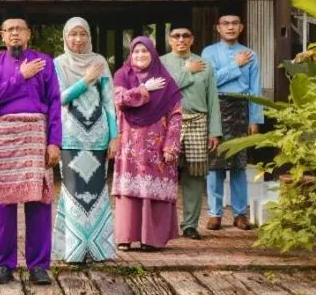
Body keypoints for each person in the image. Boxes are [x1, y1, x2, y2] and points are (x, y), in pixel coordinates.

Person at [0, 10, 62, 286]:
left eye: (20, 28)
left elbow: (54, 103)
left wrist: (54, 142)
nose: (14, 33)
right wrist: (21, 75)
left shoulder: (45, 62)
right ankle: (3, 265)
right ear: (2, 36)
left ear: (29, 34)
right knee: (5, 201)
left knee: (38, 201)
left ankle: (39, 265)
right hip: (6, 134)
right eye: (9, 29)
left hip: (36, 134)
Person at [52, 17, 117, 263]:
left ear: (89, 36)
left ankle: (99, 251)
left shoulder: (99, 62)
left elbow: (110, 103)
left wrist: (115, 137)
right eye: (73, 34)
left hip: (98, 140)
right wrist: (85, 81)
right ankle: (75, 250)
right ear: (65, 37)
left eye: (83, 34)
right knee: (73, 195)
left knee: (98, 195)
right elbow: (58, 98)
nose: (78, 39)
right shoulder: (58, 64)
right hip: (70, 139)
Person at [110, 37, 184, 251]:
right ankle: (126, 236)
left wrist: (171, 145)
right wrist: (144, 89)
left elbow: (176, 115)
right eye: (136, 52)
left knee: (154, 190)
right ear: (130, 55)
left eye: (145, 51)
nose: (140, 55)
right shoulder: (122, 75)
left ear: (153, 54)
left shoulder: (167, 81)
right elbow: (119, 101)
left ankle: (151, 239)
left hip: (157, 148)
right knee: (129, 189)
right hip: (129, 147)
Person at [160, 20, 222, 240]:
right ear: (169, 40)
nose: (181, 40)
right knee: (165, 174)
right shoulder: (160, 63)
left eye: (185, 35)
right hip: (168, 124)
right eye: (176, 36)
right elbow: (162, 91)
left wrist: (214, 131)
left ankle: (190, 225)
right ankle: (164, 225)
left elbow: (212, 98)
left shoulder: (204, 64)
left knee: (194, 176)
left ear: (192, 39)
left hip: (198, 121)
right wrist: (186, 71)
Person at [201, 8, 262, 231]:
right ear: (218, 28)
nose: (230, 26)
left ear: (241, 27)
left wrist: (254, 118)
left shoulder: (251, 54)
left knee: (238, 165)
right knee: (215, 165)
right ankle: (215, 214)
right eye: (225, 23)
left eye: (235, 22)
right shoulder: (208, 53)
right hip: (217, 107)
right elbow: (210, 81)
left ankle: (240, 214)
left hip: (241, 109)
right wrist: (235, 65)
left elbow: (255, 89)